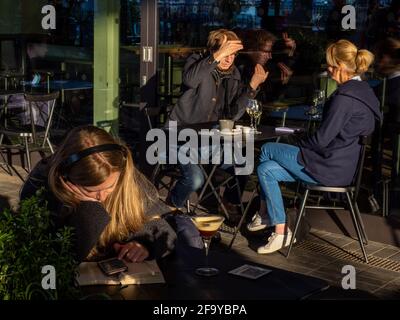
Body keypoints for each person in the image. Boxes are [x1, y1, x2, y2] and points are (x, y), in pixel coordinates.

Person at [248, 39, 381, 254]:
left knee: (268, 149)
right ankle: (281, 232)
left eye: (330, 65)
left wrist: (297, 139)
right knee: (265, 170)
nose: (327, 70)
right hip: (342, 167)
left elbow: (320, 141)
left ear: (341, 66)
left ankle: (265, 214)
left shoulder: (345, 97)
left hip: (327, 167)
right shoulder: (364, 92)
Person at [20, 125, 202, 263]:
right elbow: (54, 261)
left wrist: (144, 244)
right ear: (66, 178)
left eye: (110, 187)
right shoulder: (41, 189)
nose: (103, 197)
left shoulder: (125, 178)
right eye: (92, 191)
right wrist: (88, 208)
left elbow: (162, 225)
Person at [166, 29, 268, 212]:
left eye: (233, 55)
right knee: (195, 178)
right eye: (226, 53)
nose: (230, 59)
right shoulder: (197, 62)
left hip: (208, 141)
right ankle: (172, 206)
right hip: (179, 138)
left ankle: (230, 203)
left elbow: (232, 115)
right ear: (215, 50)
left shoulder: (233, 74)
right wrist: (217, 55)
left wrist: (252, 86)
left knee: (243, 164)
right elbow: (190, 80)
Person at [374, 38, 400, 213]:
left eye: (379, 57)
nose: (376, 62)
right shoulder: (385, 85)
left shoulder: (388, 88)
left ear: (388, 58)